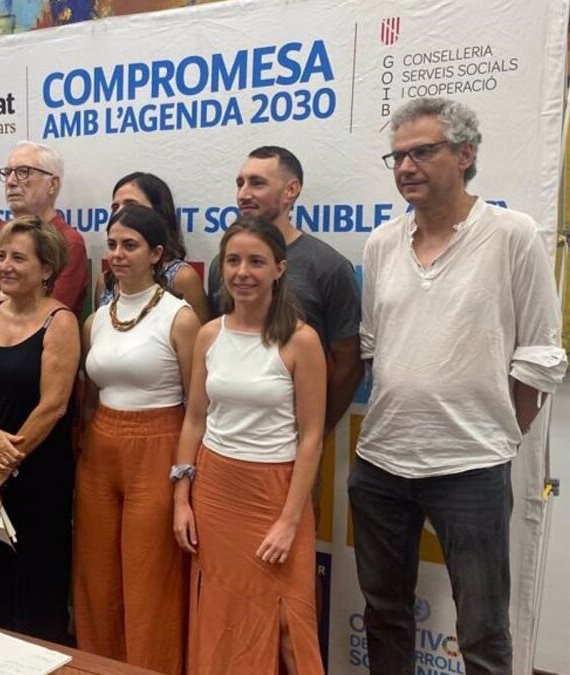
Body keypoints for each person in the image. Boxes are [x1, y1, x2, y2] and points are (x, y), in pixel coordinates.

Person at [351, 97, 567, 675]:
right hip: (381, 463)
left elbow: (540, 354)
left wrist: (503, 432)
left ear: (466, 154)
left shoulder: (512, 234)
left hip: (471, 466)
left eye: (423, 152)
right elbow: (373, 345)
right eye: (397, 156)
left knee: (482, 628)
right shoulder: (381, 244)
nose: (406, 167)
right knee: (383, 614)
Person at [174, 216, 327, 675]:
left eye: (256, 262)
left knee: (288, 629)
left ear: (279, 268)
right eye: (233, 260)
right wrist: (181, 499)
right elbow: (195, 419)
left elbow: (312, 437)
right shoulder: (209, 334)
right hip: (215, 493)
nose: (242, 272)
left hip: (275, 495)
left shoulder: (301, 340)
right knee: (223, 619)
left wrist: (288, 522)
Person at [74, 205, 200, 672]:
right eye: (112, 245)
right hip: (100, 447)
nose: (118, 254)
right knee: (97, 576)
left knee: (150, 578)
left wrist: (184, 475)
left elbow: (197, 406)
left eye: (130, 245)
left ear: (156, 253)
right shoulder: (95, 320)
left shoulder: (180, 317)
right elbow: (90, 398)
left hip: (159, 444)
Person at [0, 215, 81, 643]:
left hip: (36, 470)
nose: (5, 266)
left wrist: (4, 465)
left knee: (35, 583)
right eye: (2, 256)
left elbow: (53, 405)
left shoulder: (60, 322)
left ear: (46, 269)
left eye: (18, 258)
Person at [206, 147, 362, 434]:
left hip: (289, 442)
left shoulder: (329, 267)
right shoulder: (222, 265)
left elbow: (349, 364)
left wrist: (316, 432)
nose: (243, 194)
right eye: (240, 183)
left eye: (257, 183)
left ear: (291, 190)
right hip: (224, 437)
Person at [0, 140, 88, 313]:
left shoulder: (69, 242)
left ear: (52, 184)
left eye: (23, 172)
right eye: (7, 173)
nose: (11, 181)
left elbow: (44, 315)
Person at [93, 172, 211, 322]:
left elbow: (200, 334)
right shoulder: (106, 281)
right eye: (115, 207)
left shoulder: (181, 277)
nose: (121, 213)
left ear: (159, 212)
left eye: (131, 205)